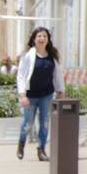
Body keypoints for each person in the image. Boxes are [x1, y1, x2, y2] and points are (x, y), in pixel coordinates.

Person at [16, 27, 65, 161]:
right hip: (30, 95)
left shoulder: (52, 57)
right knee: (28, 123)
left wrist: (61, 90)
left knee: (44, 123)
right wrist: (22, 95)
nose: (42, 38)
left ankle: (41, 150)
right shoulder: (28, 56)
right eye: (39, 36)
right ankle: (21, 144)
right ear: (34, 39)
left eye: (44, 36)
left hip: (46, 94)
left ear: (48, 40)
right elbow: (21, 76)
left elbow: (57, 75)